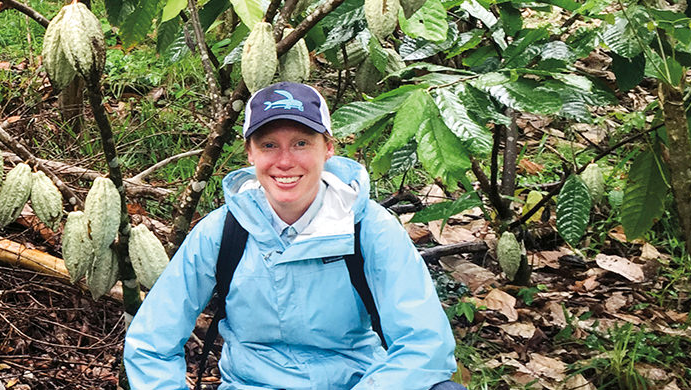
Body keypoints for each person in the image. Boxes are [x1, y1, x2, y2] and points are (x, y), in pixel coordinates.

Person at [123, 82, 466, 390]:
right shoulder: (223, 231)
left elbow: (425, 345)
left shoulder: (367, 227)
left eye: (301, 143)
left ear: (328, 148)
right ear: (251, 154)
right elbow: (151, 341)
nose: (285, 161)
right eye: (269, 145)